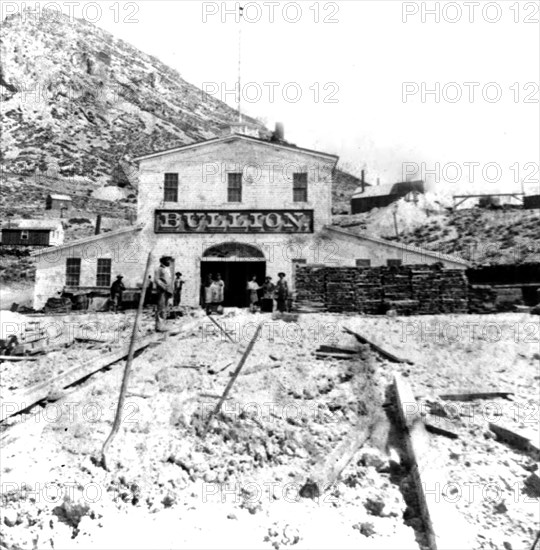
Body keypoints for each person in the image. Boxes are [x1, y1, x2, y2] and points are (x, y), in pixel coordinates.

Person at [155, 257, 173, 331]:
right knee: (161, 308)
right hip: (162, 291)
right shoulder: (159, 269)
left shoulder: (166, 269)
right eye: (167, 260)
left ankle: (163, 325)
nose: (169, 262)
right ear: (163, 261)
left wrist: (170, 290)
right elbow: (157, 280)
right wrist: (164, 287)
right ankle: (159, 326)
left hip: (167, 291)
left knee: (165, 308)